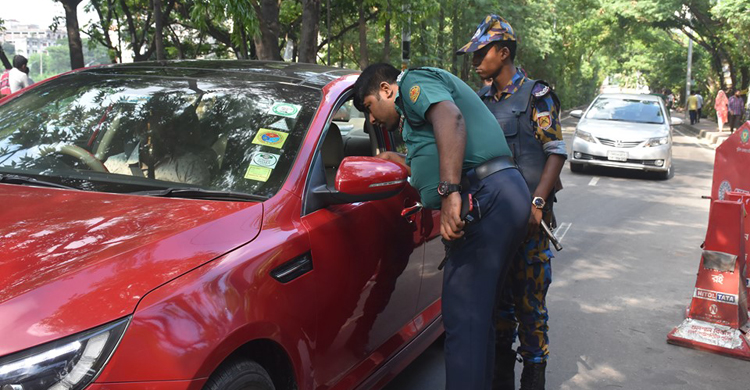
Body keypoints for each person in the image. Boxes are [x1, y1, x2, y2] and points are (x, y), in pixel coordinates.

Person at [353, 63, 530, 390]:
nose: (372, 120)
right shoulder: (410, 111)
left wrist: (449, 193)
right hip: (501, 194)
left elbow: (451, 119)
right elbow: (436, 148)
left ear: (386, 90)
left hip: (485, 196)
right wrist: (403, 163)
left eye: (369, 107)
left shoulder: (412, 83)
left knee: (463, 321)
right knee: (476, 322)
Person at [459, 14, 566, 390]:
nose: (474, 61)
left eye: (480, 53)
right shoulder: (480, 102)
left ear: (503, 53)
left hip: (532, 227)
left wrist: (537, 203)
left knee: (531, 313)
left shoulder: (536, 95)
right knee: (499, 313)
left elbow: (555, 152)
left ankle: (533, 381)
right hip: (494, 224)